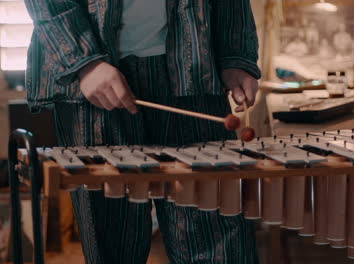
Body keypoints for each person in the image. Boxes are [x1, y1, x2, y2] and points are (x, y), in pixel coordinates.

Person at [24, 0, 261, 263]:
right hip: (97, 86)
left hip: (195, 73)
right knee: (114, 246)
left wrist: (235, 56)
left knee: (219, 244)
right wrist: (84, 62)